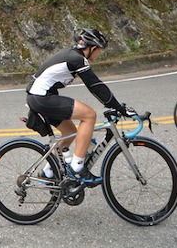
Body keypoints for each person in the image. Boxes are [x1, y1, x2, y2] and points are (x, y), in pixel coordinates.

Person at [26, 28, 134, 185]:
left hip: (38, 96)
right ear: (92, 48)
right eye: (100, 51)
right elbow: (96, 86)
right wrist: (120, 108)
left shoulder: (72, 55)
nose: (100, 54)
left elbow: (95, 87)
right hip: (41, 97)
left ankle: (48, 172)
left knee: (70, 132)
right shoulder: (77, 59)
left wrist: (115, 106)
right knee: (89, 115)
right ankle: (77, 167)